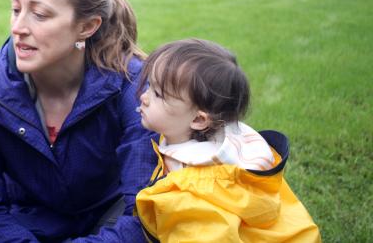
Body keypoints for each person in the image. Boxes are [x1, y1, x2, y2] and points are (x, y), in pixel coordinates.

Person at [0, 0, 158, 242]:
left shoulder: (134, 85)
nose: (18, 28)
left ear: (87, 26)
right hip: (26, 228)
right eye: (15, 9)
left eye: (39, 14)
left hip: (111, 226)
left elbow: (144, 210)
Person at [135, 39, 320, 243]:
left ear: (198, 119)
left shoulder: (194, 200)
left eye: (159, 94)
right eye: (150, 85)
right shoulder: (204, 141)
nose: (144, 97)